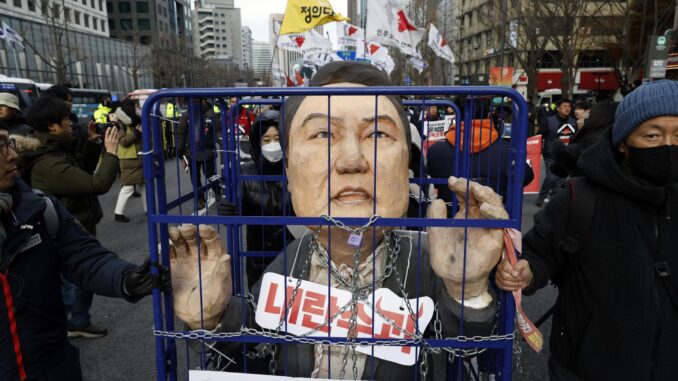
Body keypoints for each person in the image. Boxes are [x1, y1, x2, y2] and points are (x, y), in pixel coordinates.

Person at [169, 61, 508, 379]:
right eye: (322, 135)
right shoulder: (287, 264)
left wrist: (468, 289)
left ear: (407, 168)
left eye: (377, 135)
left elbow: (468, 342)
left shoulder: (428, 261)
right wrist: (210, 318)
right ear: (288, 173)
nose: (351, 161)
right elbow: (249, 339)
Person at [496, 80, 678, 381]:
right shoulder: (581, 197)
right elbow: (537, 253)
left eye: (677, 135)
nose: (668, 145)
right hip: (585, 370)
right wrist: (524, 271)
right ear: (624, 142)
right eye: (652, 135)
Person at [0, 127, 159, 380]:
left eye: (8, 143)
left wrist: (126, 279)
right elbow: (95, 183)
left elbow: (86, 258)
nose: (11, 156)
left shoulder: (39, 209)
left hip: (53, 369)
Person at [20, 96, 120, 338]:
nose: (71, 124)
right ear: (52, 126)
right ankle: (73, 323)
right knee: (78, 279)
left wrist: (94, 144)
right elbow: (96, 183)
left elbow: (79, 170)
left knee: (71, 281)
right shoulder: (49, 164)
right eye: (66, 120)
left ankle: (73, 321)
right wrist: (111, 153)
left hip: (74, 223)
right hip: (69, 231)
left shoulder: (54, 149)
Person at [218, 109, 293, 289]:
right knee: (260, 309)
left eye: (278, 139)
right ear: (257, 143)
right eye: (266, 140)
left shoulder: (297, 169)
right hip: (260, 260)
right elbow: (238, 210)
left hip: (294, 255)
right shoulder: (245, 172)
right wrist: (228, 210)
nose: (273, 145)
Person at [427, 105, 534, 208]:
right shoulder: (507, 150)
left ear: (456, 114)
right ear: (488, 115)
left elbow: (428, 180)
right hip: (494, 220)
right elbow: (526, 176)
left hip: (449, 219)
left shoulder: (435, 150)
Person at [176, 98, 219, 210]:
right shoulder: (210, 114)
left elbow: (180, 134)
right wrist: (180, 151)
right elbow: (219, 131)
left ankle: (205, 198)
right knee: (207, 175)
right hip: (198, 152)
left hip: (199, 152)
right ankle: (216, 195)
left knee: (201, 177)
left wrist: (180, 152)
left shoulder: (187, 115)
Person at [536, 99, 576, 206]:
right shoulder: (549, 121)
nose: (567, 108)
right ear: (558, 108)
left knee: (561, 179)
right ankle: (542, 196)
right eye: (564, 106)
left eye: (569, 106)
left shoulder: (573, 122)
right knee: (551, 177)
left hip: (566, 155)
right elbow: (539, 135)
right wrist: (538, 151)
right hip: (550, 154)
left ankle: (555, 199)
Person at [113, 99, 146, 222]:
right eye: (135, 106)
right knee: (128, 188)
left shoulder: (136, 119)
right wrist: (136, 132)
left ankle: (148, 209)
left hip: (139, 156)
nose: (137, 108)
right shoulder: (119, 123)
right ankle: (118, 213)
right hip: (129, 159)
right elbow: (123, 141)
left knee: (144, 185)